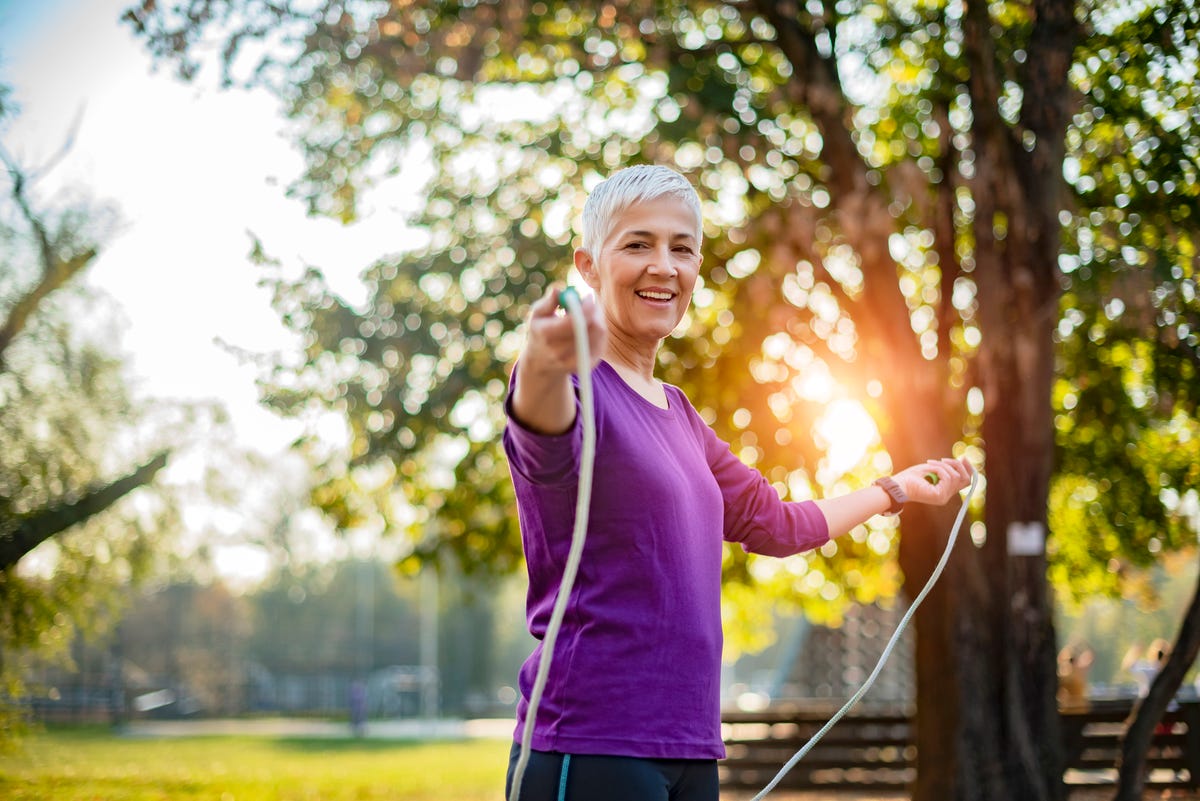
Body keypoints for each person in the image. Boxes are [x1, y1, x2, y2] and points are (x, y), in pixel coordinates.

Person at [501, 164, 974, 801]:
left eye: (682, 248)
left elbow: (778, 525)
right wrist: (542, 362)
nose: (664, 265)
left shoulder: (682, 416)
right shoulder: (573, 387)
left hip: (690, 746)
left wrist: (896, 489)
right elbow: (541, 428)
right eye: (638, 244)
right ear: (587, 265)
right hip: (590, 743)